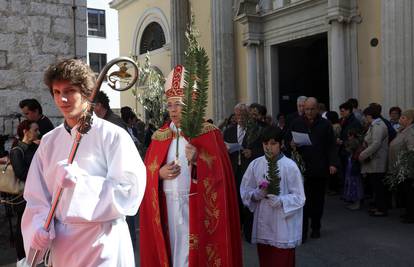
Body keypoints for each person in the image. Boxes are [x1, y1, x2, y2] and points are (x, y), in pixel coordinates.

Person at [21, 59, 146, 266]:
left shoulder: (113, 135)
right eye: (56, 92)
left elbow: (129, 190)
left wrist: (82, 184)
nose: (62, 99)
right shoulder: (48, 142)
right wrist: (38, 226)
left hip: (102, 244)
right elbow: (36, 196)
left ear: (86, 93)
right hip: (63, 247)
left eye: (69, 91)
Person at [139, 65, 242, 267]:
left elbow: (220, 175)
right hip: (166, 204)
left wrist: (198, 161)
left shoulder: (208, 133)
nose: (173, 110)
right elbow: (146, 172)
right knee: (170, 249)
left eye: (178, 104)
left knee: (190, 254)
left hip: (195, 205)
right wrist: (158, 174)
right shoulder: (159, 136)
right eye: (169, 105)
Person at [240, 126, 305, 267]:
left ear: (281, 144)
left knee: (282, 261)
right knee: (266, 261)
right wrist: (256, 194)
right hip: (264, 222)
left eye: (273, 143)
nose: (269, 147)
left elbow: (300, 197)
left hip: (283, 225)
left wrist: (281, 200)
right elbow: (245, 190)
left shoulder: (290, 166)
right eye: (265, 144)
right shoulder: (255, 164)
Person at [289, 97, 339, 240]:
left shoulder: (325, 124)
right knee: (302, 201)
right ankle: (302, 231)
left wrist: (333, 164)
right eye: (306, 109)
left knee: (317, 201)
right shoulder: (296, 123)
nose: (309, 112)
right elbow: (287, 141)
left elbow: (331, 146)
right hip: (302, 169)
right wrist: (291, 144)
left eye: (312, 109)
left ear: (317, 109)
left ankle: (316, 227)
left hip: (319, 168)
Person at [9, 120, 40, 262]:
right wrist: (39, 170)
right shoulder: (16, 151)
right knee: (22, 225)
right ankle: (21, 258)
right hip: (22, 196)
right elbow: (21, 173)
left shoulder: (36, 148)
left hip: (37, 193)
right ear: (25, 131)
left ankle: (33, 255)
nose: (38, 132)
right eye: (35, 130)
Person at [359, 105, 389, 217]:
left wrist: (362, 154)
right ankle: (378, 206)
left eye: (365, 116)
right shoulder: (375, 125)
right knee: (376, 185)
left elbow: (376, 143)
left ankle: (382, 209)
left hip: (377, 161)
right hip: (374, 160)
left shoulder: (378, 126)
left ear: (369, 116)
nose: (364, 119)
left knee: (379, 186)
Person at [388, 109, 414, 223]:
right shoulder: (403, 130)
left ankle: (411, 215)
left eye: (403, 117)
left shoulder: (411, 131)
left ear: (410, 120)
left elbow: (412, 149)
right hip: (400, 167)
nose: (400, 119)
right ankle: (408, 212)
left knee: (409, 192)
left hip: (407, 168)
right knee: (405, 191)